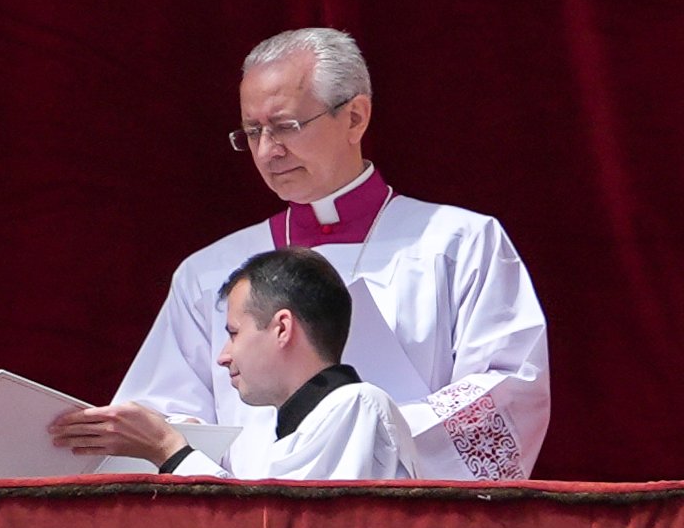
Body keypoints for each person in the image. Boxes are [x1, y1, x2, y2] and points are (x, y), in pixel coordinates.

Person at [94, 27, 549, 479]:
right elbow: (161, 416)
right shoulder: (207, 272)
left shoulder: (460, 243)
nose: (268, 151)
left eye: (286, 126)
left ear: (355, 117)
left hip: (404, 523)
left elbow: (508, 390)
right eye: (252, 132)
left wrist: (360, 431)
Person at [53, 248, 418, 479]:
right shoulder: (320, 420)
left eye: (233, 332)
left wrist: (168, 449)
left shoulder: (355, 405)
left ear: (282, 328)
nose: (223, 356)